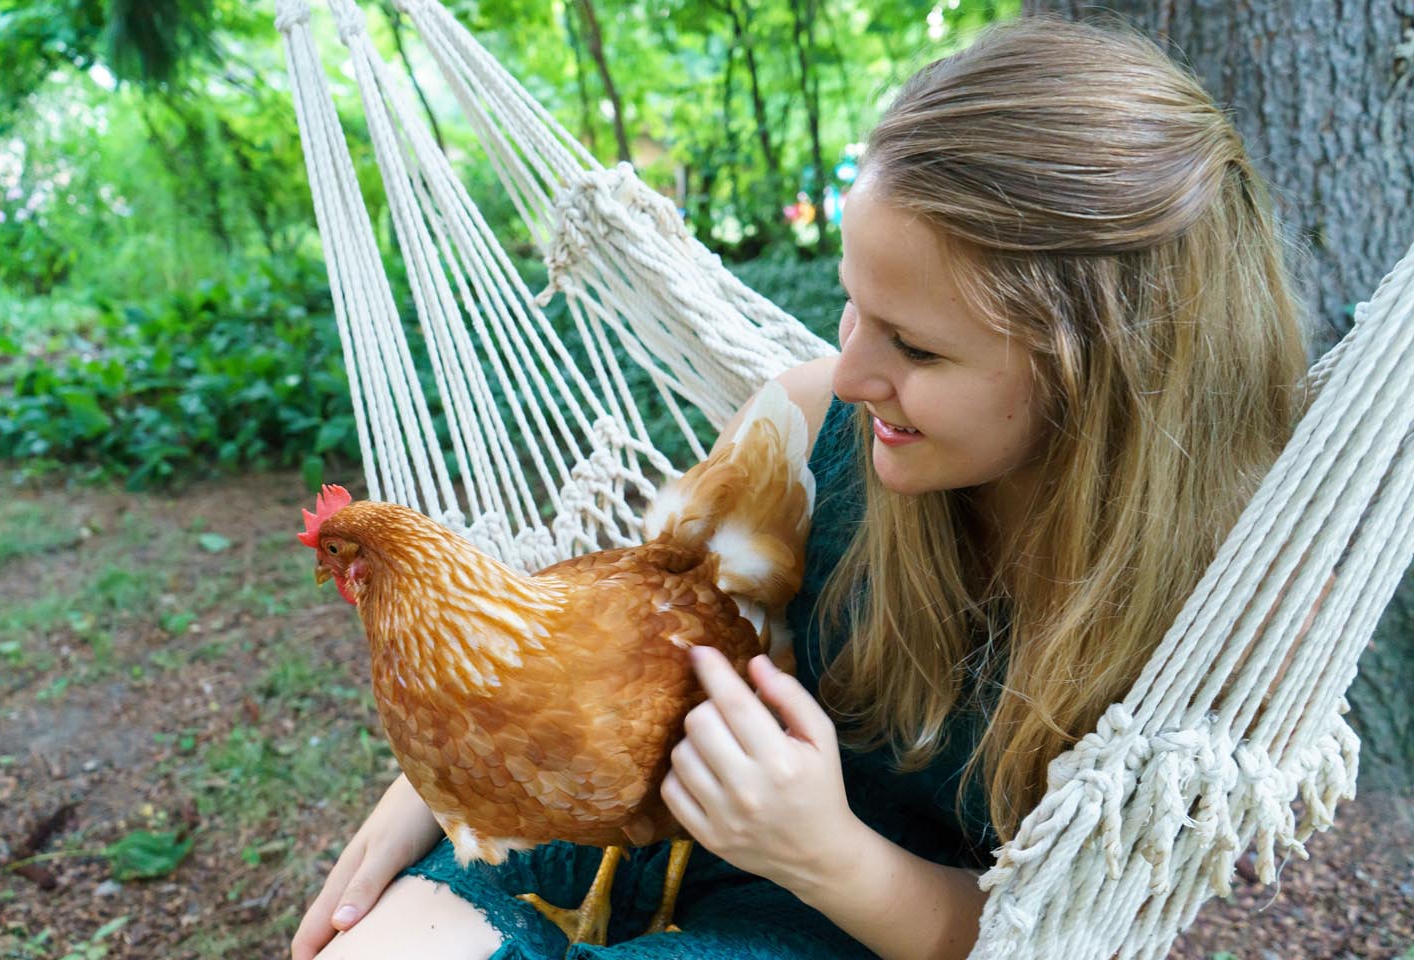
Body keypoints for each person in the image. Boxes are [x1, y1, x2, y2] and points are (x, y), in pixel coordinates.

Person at [291, 14, 1307, 960]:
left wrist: (824, 852)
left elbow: (1066, 930)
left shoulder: (1217, 611)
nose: (853, 370)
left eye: (914, 346)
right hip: (620, 819)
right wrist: (428, 795)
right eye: (856, 307)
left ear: (1101, 376)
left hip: (850, 916)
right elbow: (608, 630)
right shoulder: (812, 426)